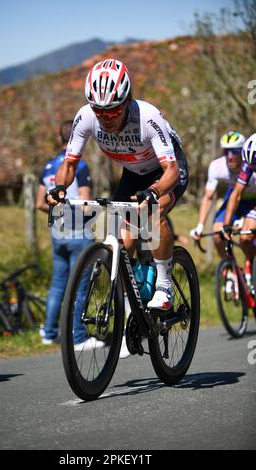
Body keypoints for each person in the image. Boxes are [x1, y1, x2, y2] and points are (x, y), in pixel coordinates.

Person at [47, 58, 189, 312]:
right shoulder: (85, 117)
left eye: (112, 112)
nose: (105, 119)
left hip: (166, 171)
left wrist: (154, 191)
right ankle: (130, 305)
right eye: (99, 112)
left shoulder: (147, 117)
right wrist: (58, 189)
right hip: (134, 173)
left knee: (151, 214)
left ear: (127, 101)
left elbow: (172, 170)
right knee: (118, 243)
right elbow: (68, 166)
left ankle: (164, 285)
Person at [36, 120, 102, 349]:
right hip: (79, 232)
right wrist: (98, 211)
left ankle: (49, 332)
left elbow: (40, 203)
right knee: (80, 286)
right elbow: (85, 205)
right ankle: (79, 337)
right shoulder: (79, 167)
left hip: (57, 232)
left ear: (59, 138)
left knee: (58, 285)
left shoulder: (47, 167)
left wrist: (60, 208)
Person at [189, 131, 254, 258]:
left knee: (245, 237)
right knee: (218, 234)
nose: (230, 156)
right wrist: (200, 226)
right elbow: (208, 197)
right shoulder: (217, 167)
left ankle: (252, 267)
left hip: (253, 201)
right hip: (233, 198)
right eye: (226, 151)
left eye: (235, 151)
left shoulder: (251, 165)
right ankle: (231, 271)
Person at [221, 132, 256, 260]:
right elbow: (236, 194)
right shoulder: (248, 165)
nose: (253, 169)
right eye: (252, 166)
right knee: (245, 238)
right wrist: (226, 225)